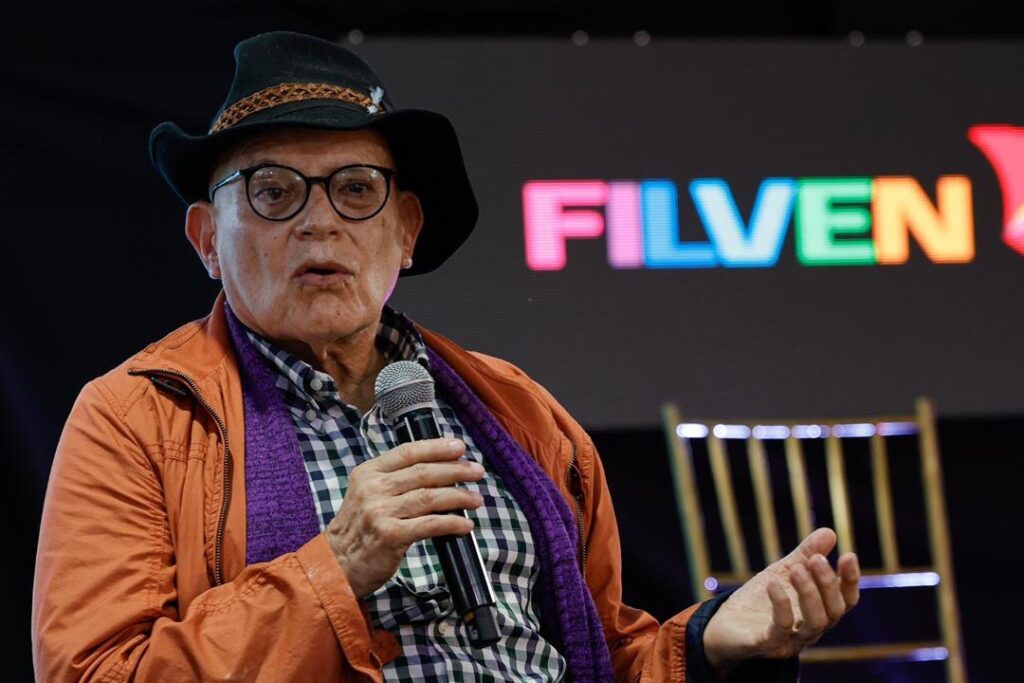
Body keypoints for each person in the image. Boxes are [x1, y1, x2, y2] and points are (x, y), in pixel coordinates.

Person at [31, 30, 860, 682]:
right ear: (208, 239)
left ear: (407, 232)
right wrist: (335, 567)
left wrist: (708, 641)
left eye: (357, 189)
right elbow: (95, 672)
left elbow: (601, 657)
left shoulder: (520, 411)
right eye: (273, 191)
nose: (319, 222)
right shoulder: (136, 417)